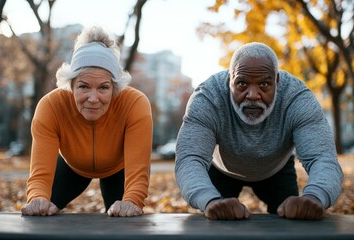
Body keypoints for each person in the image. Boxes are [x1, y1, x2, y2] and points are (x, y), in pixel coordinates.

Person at [175, 42, 343, 221]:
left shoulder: (297, 99)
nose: (253, 95)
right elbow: (189, 158)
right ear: (229, 80)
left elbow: (322, 157)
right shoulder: (208, 98)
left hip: (276, 170)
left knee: (296, 220)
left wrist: (315, 197)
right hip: (222, 170)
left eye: (264, 84)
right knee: (215, 221)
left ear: (277, 81)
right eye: (241, 84)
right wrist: (208, 199)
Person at [21, 26, 153, 217]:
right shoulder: (50, 106)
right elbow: (39, 175)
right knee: (41, 211)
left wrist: (132, 200)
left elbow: (138, 170)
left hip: (118, 169)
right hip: (71, 167)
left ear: (115, 88)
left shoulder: (135, 104)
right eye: (83, 86)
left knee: (124, 220)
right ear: (71, 85)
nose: (93, 98)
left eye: (103, 88)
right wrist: (37, 197)